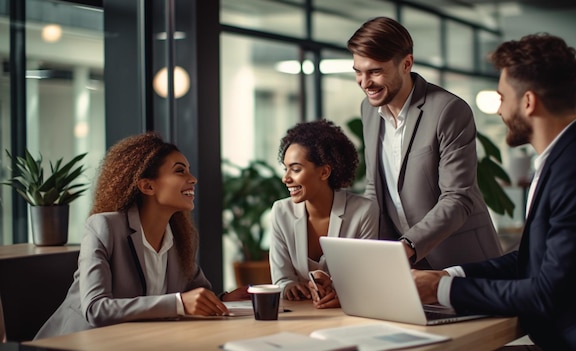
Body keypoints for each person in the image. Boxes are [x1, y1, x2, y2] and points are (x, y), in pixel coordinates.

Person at [412, 33, 576, 351]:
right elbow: (530, 260)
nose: (499, 110)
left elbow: (546, 293)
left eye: (502, 97)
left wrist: (443, 291)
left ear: (528, 101)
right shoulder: (569, 156)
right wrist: (449, 274)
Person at [35, 132, 249, 339]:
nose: (192, 179)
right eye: (180, 171)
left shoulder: (181, 239)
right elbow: (95, 309)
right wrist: (178, 304)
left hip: (134, 342)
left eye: (189, 171)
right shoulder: (104, 227)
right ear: (147, 186)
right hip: (75, 343)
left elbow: (195, 292)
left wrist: (225, 299)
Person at [347, 16, 502, 269]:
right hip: (404, 261)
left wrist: (408, 245)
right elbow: (375, 189)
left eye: (375, 71)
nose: (364, 83)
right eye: (358, 72)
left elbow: (457, 198)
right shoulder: (368, 110)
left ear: (406, 63)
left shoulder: (448, 110)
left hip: (461, 259)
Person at [269, 119, 379, 309]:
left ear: (324, 172)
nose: (285, 178)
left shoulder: (363, 212)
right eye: (285, 168)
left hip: (347, 313)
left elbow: (366, 278)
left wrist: (341, 293)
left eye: (295, 169)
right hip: (299, 313)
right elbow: (281, 278)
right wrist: (289, 287)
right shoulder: (281, 211)